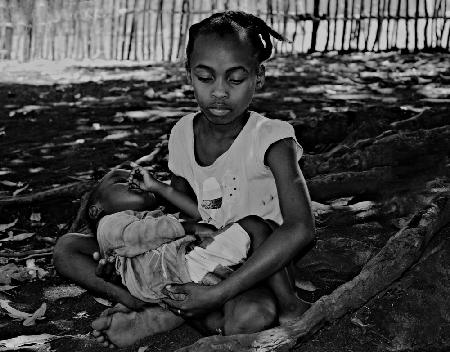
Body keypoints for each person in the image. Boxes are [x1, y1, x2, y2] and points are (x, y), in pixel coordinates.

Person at [53, 10, 315, 348]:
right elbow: (191, 217)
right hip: (195, 257)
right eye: (206, 77)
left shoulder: (272, 139)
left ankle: (171, 311)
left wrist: (218, 291)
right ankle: (143, 299)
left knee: (252, 316)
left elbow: (300, 229)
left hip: (259, 266)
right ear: (189, 74)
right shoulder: (181, 134)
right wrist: (127, 255)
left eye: (235, 79)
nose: (219, 92)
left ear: (258, 77)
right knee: (67, 249)